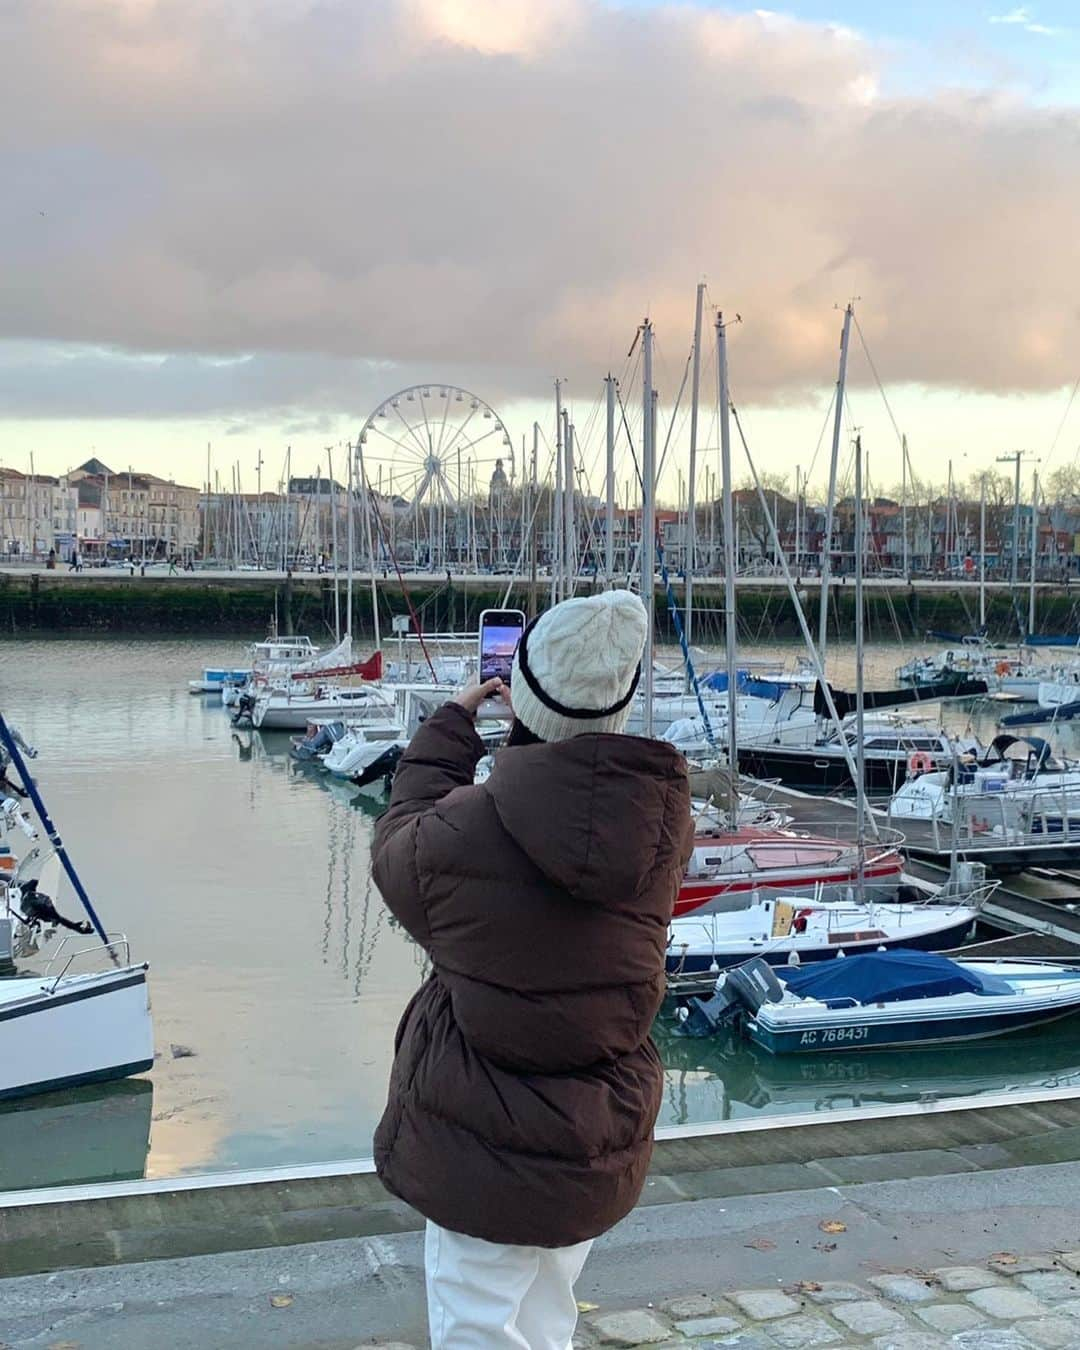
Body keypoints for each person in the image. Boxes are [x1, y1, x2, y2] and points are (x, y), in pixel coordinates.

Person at [372, 590, 694, 1350]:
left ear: (516, 691)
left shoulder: (470, 829)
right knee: (549, 1308)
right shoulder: (661, 823)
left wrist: (451, 728)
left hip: (482, 1139)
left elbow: (397, 854)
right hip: (594, 1129)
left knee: (475, 1323)